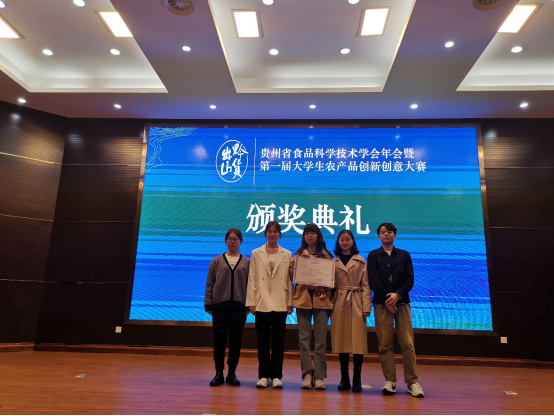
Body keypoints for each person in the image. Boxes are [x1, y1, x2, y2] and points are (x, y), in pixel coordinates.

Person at [367, 223, 425, 399]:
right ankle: (390, 381)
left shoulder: (404, 255)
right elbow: (373, 280)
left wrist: (397, 295)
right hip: (381, 304)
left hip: (402, 303)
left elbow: (410, 279)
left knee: (407, 343)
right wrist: (387, 299)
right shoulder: (373, 255)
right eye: (383, 232)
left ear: (395, 235)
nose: (386, 234)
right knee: (385, 344)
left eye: (389, 232)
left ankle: (412, 382)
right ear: (378, 236)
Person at [246, 221, 293, 389]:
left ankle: (277, 376)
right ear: (265, 233)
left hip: (280, 301)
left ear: (279, 234)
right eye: (269, 231)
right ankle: (264, 375)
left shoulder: (287, 253)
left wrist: (290, 301)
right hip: (262, 301)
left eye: (275, 231)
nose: (272, 234)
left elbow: (289, 280)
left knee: (279, 342)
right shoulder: (256, 253)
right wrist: (251, 301)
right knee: (263, 342)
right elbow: (252, 277)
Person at [288, 224, 334, 391]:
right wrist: (301, 264)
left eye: (312, 233)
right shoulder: (299, 255)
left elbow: (332, 279)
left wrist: (321, 284)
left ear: (318, 235)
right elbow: (291, 275)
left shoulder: (327, 255)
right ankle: (307, 373)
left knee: (321, 340)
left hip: (322, 301)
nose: (309, 236)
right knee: (303, 339)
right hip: (303, 301)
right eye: (306, 233)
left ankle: (319, 376)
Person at [204, 229, 250, 387]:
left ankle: (232, 373)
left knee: (235, 342)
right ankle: (218, 373)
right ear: (225, 241)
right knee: (219, 341)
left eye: (236, 239)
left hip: (239, 308)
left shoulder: (246, 262)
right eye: (230, 239)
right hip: (219, 307)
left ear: (240, 241)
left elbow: (250, 285)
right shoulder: (216, 261)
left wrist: (249, 304)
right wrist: (208, 303)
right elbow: (210, 283)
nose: (233, 241)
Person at [331, 230, 371, 393]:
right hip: (339, 303)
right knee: (342, 341)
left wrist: (366, 307)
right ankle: (344, 378)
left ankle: (357, 378)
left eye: (348, 239)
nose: (345, 242)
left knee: (358, 342)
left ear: (353, 241)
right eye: (342, 239)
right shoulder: (333, 262)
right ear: (338, 242)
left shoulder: (360, 260)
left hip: (356, 301)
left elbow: (366, 285)